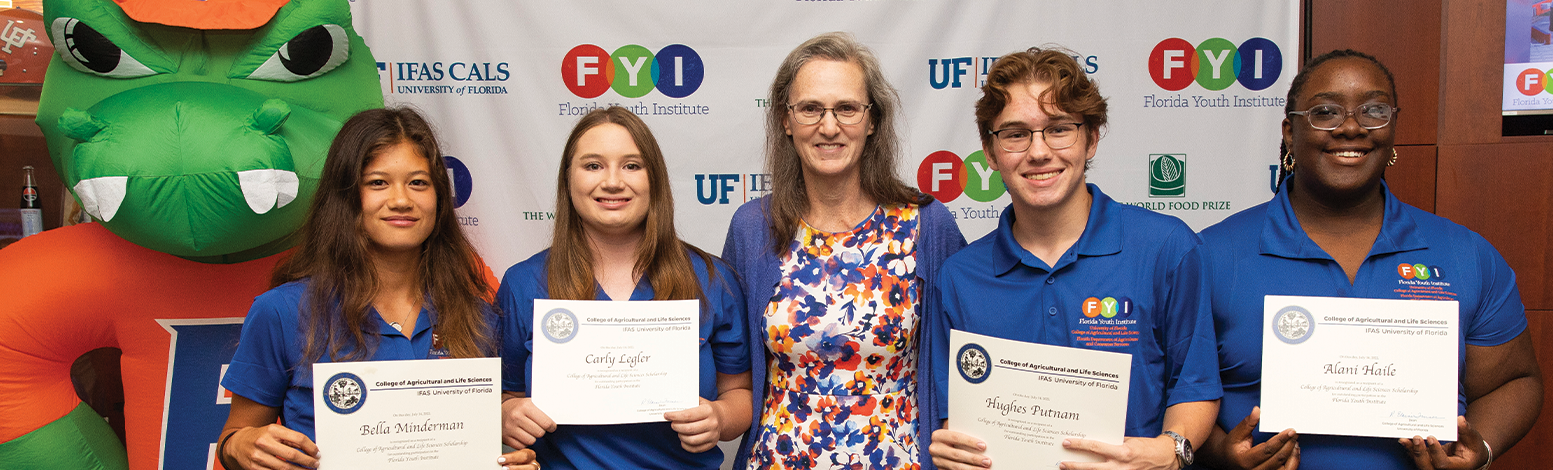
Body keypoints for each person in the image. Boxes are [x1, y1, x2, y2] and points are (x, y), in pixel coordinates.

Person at [1192, 50, 1542, 470]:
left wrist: (1479, 449)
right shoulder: (1212, 254)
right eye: (1326, 111)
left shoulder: (1464, 253)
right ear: (1290, 131)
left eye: (1373, 110)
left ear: (1392, 127)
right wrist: (1217, 455)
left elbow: (1516, 382)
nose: (1352, 127)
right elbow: (1164, 388)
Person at [925, 47, 1221, 470]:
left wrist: (1172, 449)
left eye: (1059, 129)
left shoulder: (1166, 248)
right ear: (990, 154)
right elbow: (956, 414)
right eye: (1015, 134)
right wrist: (957, 455)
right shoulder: (958, 277)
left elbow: (1195, 383)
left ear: (1092, 138)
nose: (1039, 152)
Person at [216, 107, 537, 469]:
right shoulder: (281, 312)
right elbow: (234, 439)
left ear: (439, 199)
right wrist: (241, 445)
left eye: (418, 183)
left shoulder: (478, 316)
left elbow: (484, 445)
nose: (401, 200)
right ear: (347, 196)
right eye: (378, 183)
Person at [724, 32, 967, 470]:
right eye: (811, 108)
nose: (829, 126)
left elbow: (967, 352)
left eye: (847, 108)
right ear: (786, 119)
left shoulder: (926, 224)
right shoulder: (752, 227)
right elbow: (731, 365)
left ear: (872, 120)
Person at [495, 106, 751, 469]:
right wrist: (508, 414)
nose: (613, 181)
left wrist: (721, 418)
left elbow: (740, 393)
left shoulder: (712, 279)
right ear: (569, 179)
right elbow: (506, 394)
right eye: (593, 165)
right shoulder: (523, 283)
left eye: (632, 165)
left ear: (655, 180)